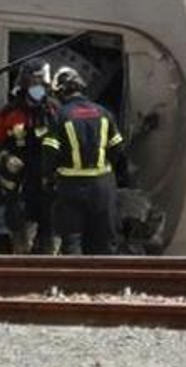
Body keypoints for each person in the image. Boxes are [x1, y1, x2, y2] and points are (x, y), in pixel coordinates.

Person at [42, 67, 125, 255]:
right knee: (104, 241)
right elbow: (118, 149)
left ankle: (76, 284)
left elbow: (49, 153)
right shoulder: (104, 113)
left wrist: (48, 177)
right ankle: (103, 283)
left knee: (72, 242)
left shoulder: (60, 117)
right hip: (103, 186)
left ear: (61, 92)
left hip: (70, 188)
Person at [0, 63, 60, 254]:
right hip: (20, 182)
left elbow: (66, 142)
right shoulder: (9, 113)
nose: (38, 86)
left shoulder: (53, 110)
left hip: (48, 183)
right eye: (34, 81)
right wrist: (6, 157)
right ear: (24, 82)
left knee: (51, 238)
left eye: (41, 81)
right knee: (20, 236)